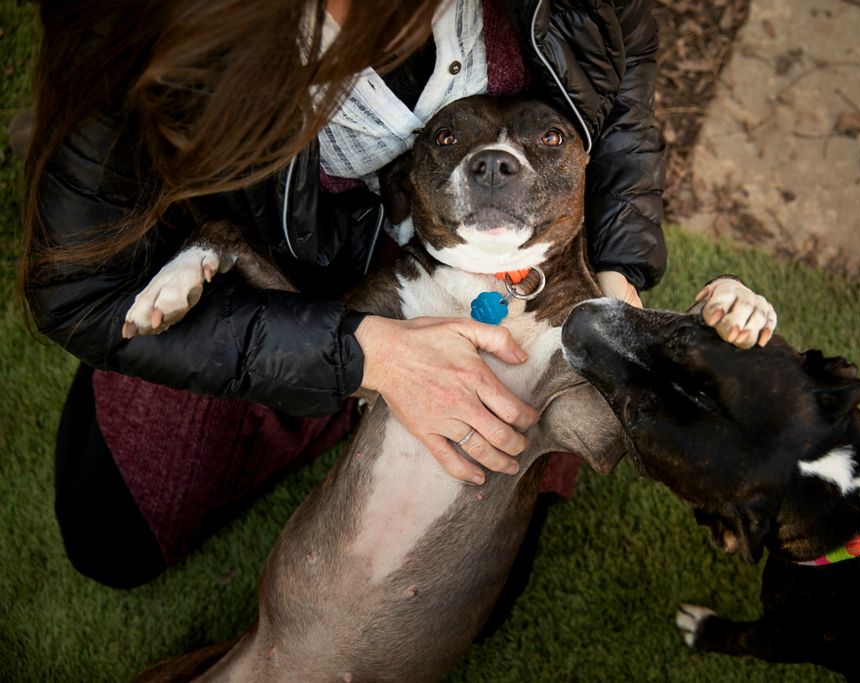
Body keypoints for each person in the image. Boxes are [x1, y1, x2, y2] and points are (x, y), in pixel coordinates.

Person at [20, 0, 668, 589]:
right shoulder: (138, 29)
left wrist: (617, 278)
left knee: (472, 586)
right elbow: (83, 294)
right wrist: (370, 355)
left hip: (503, 261)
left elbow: (620, 88)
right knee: (111, 539)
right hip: (274, 280)